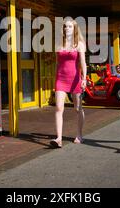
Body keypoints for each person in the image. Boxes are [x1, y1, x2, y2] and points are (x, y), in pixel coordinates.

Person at [50, 18, 87, 148]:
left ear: (75, 29)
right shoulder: (59, 44)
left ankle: (79, 134)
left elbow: (83, 63)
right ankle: (59, 138)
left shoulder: (80, 44)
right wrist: (54, 79)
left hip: (75, 79)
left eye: (70, 27)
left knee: (77, 108)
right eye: (65, 27)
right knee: (59, 108)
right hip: (60, 79)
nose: (67, 29)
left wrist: (84, 78)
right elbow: (57, 63)